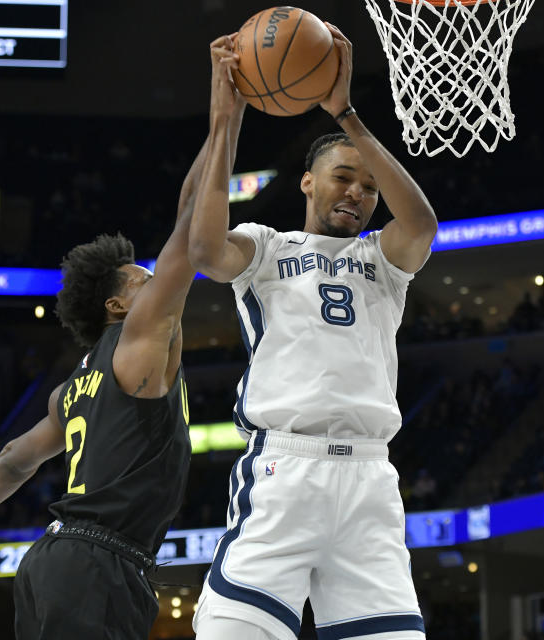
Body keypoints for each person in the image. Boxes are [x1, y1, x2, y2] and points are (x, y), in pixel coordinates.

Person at [0, 50, 246, 640]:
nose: (155, 281)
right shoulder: (138, 339)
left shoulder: (71, 387)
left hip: (55, 564)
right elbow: (191, 228)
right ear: (117, 304)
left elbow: (16, 457)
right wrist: (227, 116)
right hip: (96, 565)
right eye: (142, 278)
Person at [188, 25, 438, 640]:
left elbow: (423, 221)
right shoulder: (269, 248)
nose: (357, 192)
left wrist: (347, 114)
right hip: (284, 473)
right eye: (343, 177)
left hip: (370, 483)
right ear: (307, 181)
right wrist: (227, 122)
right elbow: (203, 247)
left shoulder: (385, 260)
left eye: (369, 186)